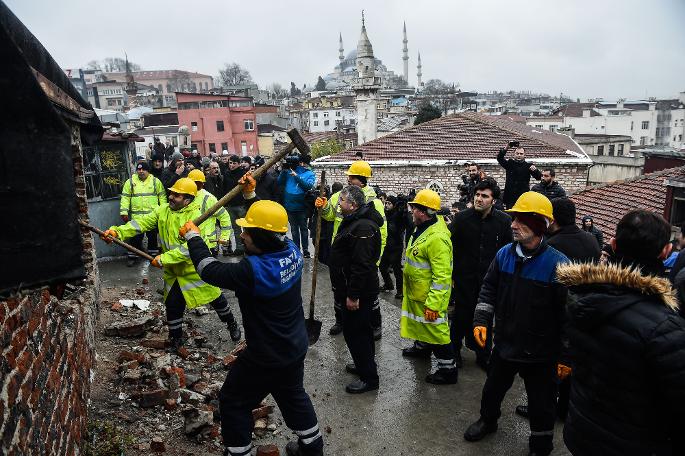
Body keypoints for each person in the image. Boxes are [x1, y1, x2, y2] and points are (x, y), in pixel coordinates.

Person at [180, 197, 324, 456]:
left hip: (265, 355)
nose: (242, 235)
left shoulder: (252, 271)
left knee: (233, 401)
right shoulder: (291, 250)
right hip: (294, 345)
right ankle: (312, 448)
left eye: (247, 231)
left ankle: (239, 452)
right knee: (293, 394)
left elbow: (208, 270)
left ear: (260, 237)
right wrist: (251, 197)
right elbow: (271, 224)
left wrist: (193, 237)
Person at [558, 209, 685, 455]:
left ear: (613, 245)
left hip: (581, 432)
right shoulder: (667, 328)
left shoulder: (581, 297)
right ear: (665, 252)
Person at [464, 191, 569, 456]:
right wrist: (481, 320)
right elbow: (488, 289)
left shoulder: (559, 265)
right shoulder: (504, 255)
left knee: (541, 403)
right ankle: (488, 421)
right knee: (492, 391)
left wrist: (566, 356)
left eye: (521, 220)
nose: (513, 224)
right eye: (513, 219)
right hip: (506, 345)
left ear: (539, 224)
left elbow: (569, 317)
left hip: (541, 353)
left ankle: (541, 443)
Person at [101, 177, 242, 350]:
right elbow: (141, 223)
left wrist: (163, 258)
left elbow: (188, 248)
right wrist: (117, 232)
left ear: (187, 200)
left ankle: (232, 323)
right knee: (173, 304)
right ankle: (175, 339)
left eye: (177, 195)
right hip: (173, 272)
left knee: (216, 299)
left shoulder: (197, 217)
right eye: (171, 193)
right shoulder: (163, 211)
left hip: (194, 270)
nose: (171, 197)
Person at [514, 197, 599, 421]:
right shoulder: (591, 240)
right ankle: (565, 410)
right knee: (571, 364)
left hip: (557, 314)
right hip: (587, 310)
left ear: (552, 220)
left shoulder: (552, 246)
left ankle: (544, 408)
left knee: (549, 372)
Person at [317, 161, 386, 339]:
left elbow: (382, 234)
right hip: (340, 257)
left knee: (368, 297)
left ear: (362, 180)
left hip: (362, 257)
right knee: (339, 291)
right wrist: (323, 206)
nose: (348, 179)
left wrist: (375, 260)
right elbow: (329, 215)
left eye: (352, 177)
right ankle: (340, 320)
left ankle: (375, 324)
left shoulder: (373, 202)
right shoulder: (341, 195)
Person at [449, 178, 511, 370]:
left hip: (489, 282)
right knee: (460, 318)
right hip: (464, 279)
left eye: (485, 196)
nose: (479, 199)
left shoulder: (504, 221)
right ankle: (454, 352)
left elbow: (508, 250)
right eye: (477, 195)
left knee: (485, 317)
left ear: (493, 200)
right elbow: (450, 248)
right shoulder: (461, 219)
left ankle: (483, 354)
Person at [327, 185, 383, 393]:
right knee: (362, 330)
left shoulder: (363, 228)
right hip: (352, 288)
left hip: (359, 291)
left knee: (355, 332)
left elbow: (362, 265)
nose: (339, 204)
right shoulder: (354, 222)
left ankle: (369, 378)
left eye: (341, 200)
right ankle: (364, 365)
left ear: (353, 204)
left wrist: (353, 295)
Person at [399, 189, 458, 385]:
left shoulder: (438, 238)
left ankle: (448, 370)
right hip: (418, 292)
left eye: (414, 208)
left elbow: (442, 276)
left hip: (430, 297)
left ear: (423, 211)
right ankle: (422, 347)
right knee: (420, 324)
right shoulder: (422, 227)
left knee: (437, 332)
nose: (411, 211)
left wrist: (434, 304)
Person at [119, 161, 166, 266]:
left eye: (143, 169)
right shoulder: (130, 182)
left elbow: (162, 197)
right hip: (137, 217)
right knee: (135, 238)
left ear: (148, 171)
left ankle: (153, 257)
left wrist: (163, 212)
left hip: (152, 217)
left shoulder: (155, 181)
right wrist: (124, 212)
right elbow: (125, 197)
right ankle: (132, 257)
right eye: (139, 169)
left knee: (152, 238)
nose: (141, 171)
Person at [278, 154, 316, 258]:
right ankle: (296, 249)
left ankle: (306, 250)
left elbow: (308, 186)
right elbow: (279, 182)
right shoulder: (288, 171)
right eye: (300, 163)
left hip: (302, 206)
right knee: (294, 230)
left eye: (303, 163)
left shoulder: (309, 173)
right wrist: (283, 171)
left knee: (303, 229)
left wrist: (297, 177)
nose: (302, 164)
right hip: (289, 206)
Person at [188, 169, 232, 258]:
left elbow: (224, 216)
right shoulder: (184, 195)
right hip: (189, 242)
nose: (195, 185)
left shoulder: (208, 198)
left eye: (197, 183)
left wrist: (224, 237)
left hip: (207, 244)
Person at [497, 142, 542, 209]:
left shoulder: (528, 166)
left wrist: (536, 170)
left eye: (521, 154)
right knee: (510, 217)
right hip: (510, 198)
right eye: (517, 153)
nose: (519, 155)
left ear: (524, 155)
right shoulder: (510, 163)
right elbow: (500, 158)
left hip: (523, 197)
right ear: (514, 154)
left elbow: (539, 177)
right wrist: (506, 148)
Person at [379, 195, 407, 300]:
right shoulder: (385, 214)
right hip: (387, 246)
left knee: (397, 270)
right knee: (382, 267)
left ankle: (400, 291)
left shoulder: (398, 215)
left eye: (389, 203)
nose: (386, 205)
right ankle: (388, 284)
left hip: (396, 246)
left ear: (394, 205)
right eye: (386, 203)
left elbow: (403, 219)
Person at [224, 155, 247, 255]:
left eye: (234, 163)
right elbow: (224, 188)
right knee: (236, 229)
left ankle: (248, 247)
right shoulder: (226, 174)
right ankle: (239, 248)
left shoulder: (243, 174)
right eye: (230, 163)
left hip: (241, 205)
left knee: (246, 228)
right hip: (230, 206)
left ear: (238, 164)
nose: (232, 165)